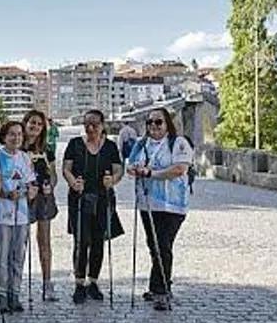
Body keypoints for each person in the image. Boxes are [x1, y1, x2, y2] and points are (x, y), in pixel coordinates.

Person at [127, 108, 193, 311]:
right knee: (154, 245)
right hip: (148, 203)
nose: (153, 126)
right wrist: (135, 170)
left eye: (158, 122)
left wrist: (151, 173)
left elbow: (179, 169)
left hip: (173, 204)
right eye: (150, 122)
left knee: (163, 245)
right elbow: (130, 165)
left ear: (167, 124)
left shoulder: (178, 143)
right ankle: (157, 285)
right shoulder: (141, 144)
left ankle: (162, 290)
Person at [62, 109, 124, 304]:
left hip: (103, 198)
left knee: (98, 241)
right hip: (79, 199)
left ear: (102, 125)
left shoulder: (110, 146)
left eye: (94, 124)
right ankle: (79, 283)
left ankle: (93, 281)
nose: (90, 128)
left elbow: (118, 170)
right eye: (87, 124)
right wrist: (73, 182)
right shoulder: (75, 144)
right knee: (81, 241)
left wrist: (112, 180)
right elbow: (66, 168)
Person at [0, 121, 37, 313]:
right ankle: (1, 295)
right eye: (12, 134)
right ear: (4, 136)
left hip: (21, 214)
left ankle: (15, 293)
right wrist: (5, 193)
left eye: (19, 134)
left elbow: (31, 182)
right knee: (1, 257)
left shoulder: (25, 157)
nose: (16, 138)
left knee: (18, 255)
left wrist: (32, 191)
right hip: (1, 214)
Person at [21, 110, 59, 302]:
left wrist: (50, 185)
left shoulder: (47, 149)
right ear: (25, 123)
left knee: (44, 242)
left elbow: (53, 174)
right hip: (23, 198)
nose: (35, 127)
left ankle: (47, 283)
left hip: (44, 198)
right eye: (32, 123)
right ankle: (14, 283)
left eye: (39, 124)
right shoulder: (17, 147)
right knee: (19, 242)